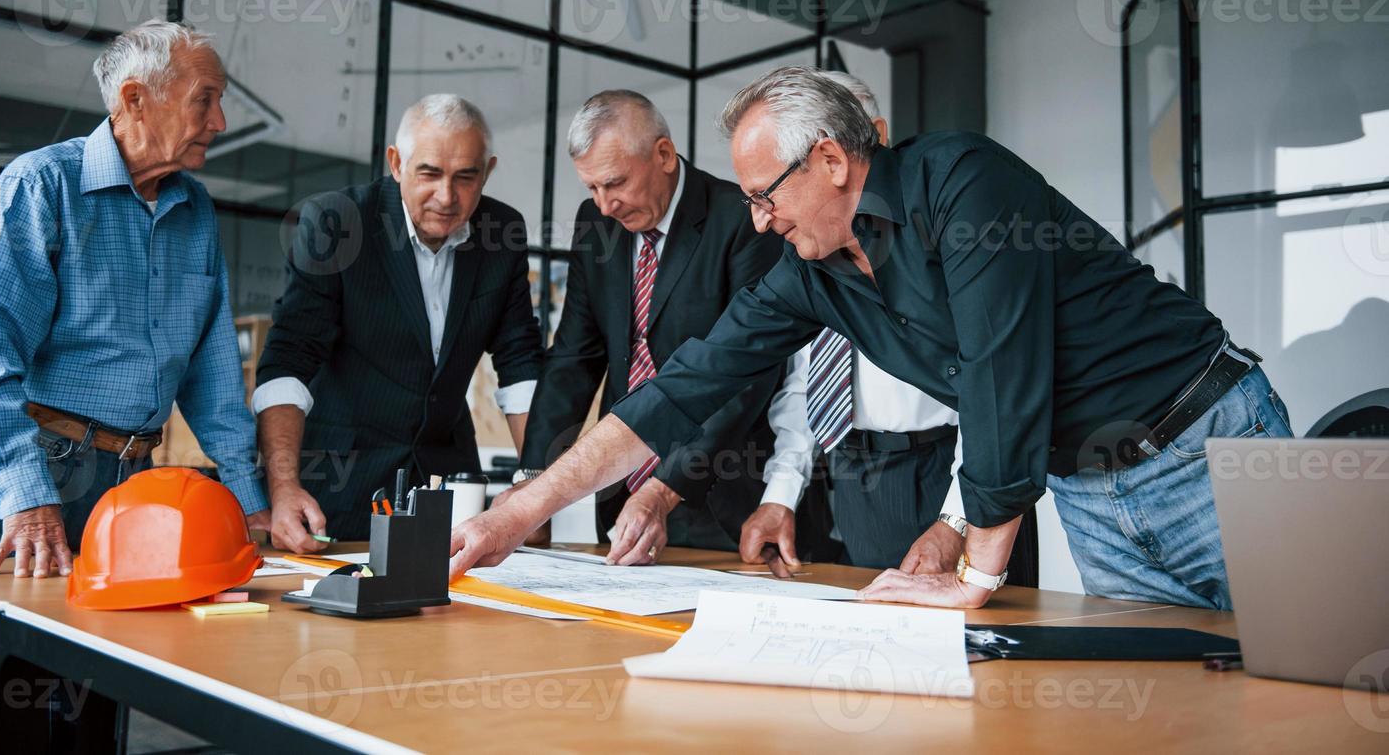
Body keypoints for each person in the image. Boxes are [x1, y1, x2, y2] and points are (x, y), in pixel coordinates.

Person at [451, 65, 1292, 611]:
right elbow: (687, 385)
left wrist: (976, 572)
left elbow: (1004, 367)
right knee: (1177, 701)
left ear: (829, 160)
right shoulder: (809, 268)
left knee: (1321, 674)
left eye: (764, 193)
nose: (758, 218)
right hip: (1088, 491)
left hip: (1203, 448)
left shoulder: (962, 179)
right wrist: (518, 513)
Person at [0, 19, 270, 754]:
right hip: (26, 475)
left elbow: (212, 377)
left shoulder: (196, 210)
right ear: (136, 98)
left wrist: (249, 503)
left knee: (92, 713)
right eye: (207, 99)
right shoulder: (41, 186)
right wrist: (26, 501)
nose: (221, 120)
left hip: (130, 489)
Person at [511, 90, 828, 563]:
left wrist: (665, 489)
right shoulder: (595, 225)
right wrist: (532, 484)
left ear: (662, 154)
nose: (604, 205)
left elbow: (747, 374)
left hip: (723, 497)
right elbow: (574, 359)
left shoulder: (740, 219)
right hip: (622, 500)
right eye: (591, 188)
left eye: (615, 183)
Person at [254, 94, 542, 549]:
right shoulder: (338, 223)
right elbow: (289, 360)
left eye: (466, 177)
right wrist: (283, 486)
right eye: (429, 173)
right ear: (396, 163)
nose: (447, 197)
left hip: (449, 492)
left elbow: (521, 359)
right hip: (337, 488)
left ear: (487, 171)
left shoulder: (501, 233)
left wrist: (536, 485)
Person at [739, 71, 967, 573]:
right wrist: (780, 493)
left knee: (984, 638)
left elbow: (993, 386)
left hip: (951, 466)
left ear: (872, 139)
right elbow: (808, 383)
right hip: (855, 473)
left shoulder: (940, 233)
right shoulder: (807, 255)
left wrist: (960, 517)